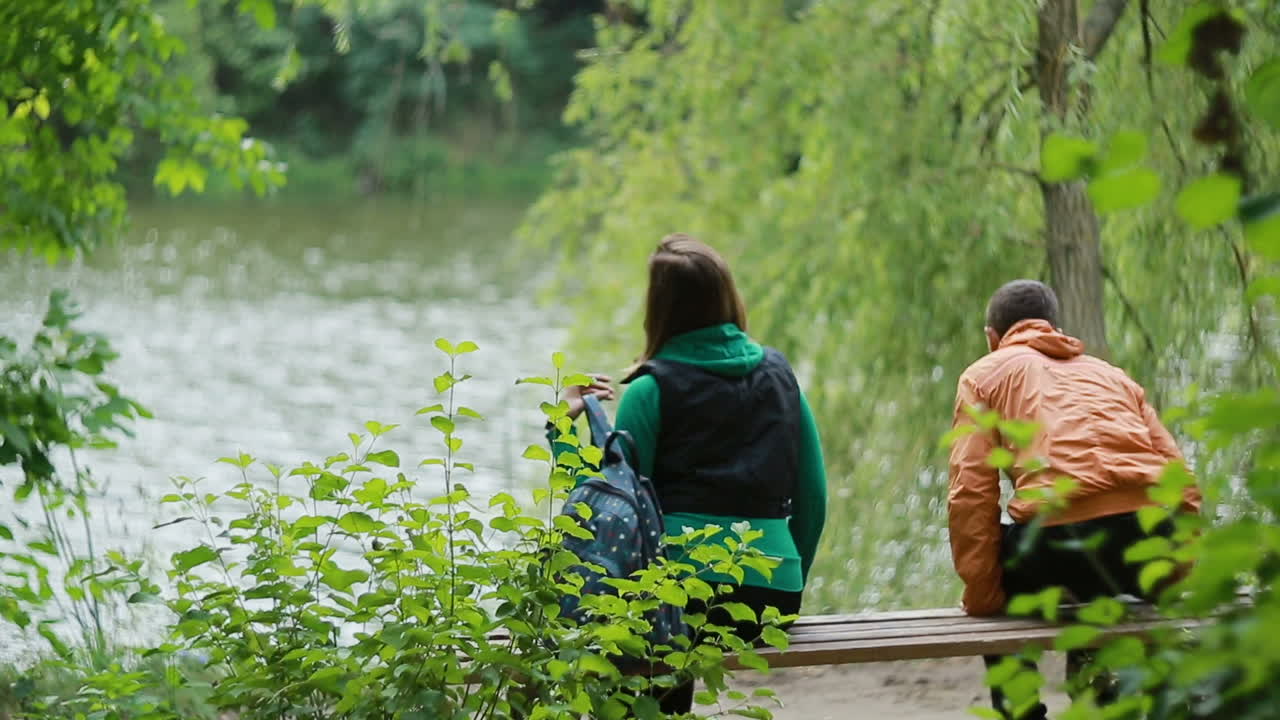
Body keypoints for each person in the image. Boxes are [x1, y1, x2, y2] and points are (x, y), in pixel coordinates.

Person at [558, 233, 828, 714]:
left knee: (642, 651)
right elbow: (814, 498)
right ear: (727, 295)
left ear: (659, 308)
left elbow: (613, 515)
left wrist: (565, 423)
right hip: (774, 600)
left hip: (680, 599)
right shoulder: (782, 377)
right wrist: (788, 579)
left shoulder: (649, 389)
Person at [947, 279, 1202, 719]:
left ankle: (1022, 713)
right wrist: (1176, 568)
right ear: (1054, 328)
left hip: (1057, 543)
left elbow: (972, 491)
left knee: (1003, 567)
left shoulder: (984, 374)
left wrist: (986, 596)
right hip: (1144, 540)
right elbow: (1182, 480)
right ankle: (1106, 703)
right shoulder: (1113, 376)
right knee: (1096, 586)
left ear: (993, 338)